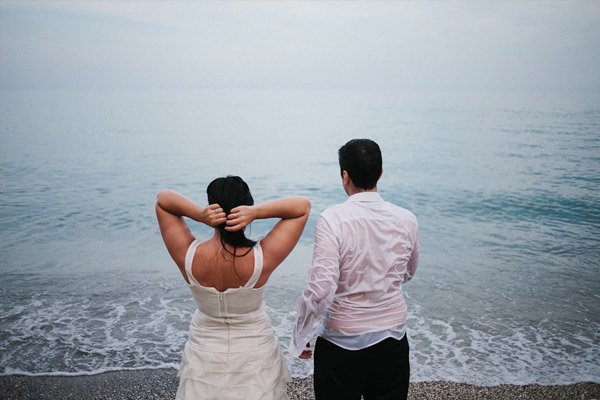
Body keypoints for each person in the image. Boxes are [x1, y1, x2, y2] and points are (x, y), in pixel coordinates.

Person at [156, 176, 310, 400]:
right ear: (245, 207)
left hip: (204, 352)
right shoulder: (260, 259)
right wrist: (256, 212)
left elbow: (163, 200)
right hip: (255, 353)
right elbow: (302, 206)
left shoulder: (189, 256)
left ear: (212, 207)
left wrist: (200, 215)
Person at [289, 139, 420, 400]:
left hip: (341, 345)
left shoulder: (332, 220)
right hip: (392, 340)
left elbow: (321, 288)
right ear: (380, 173)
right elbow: (408, 271)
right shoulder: (407, 219)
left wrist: (302, 334)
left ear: (345, 176)